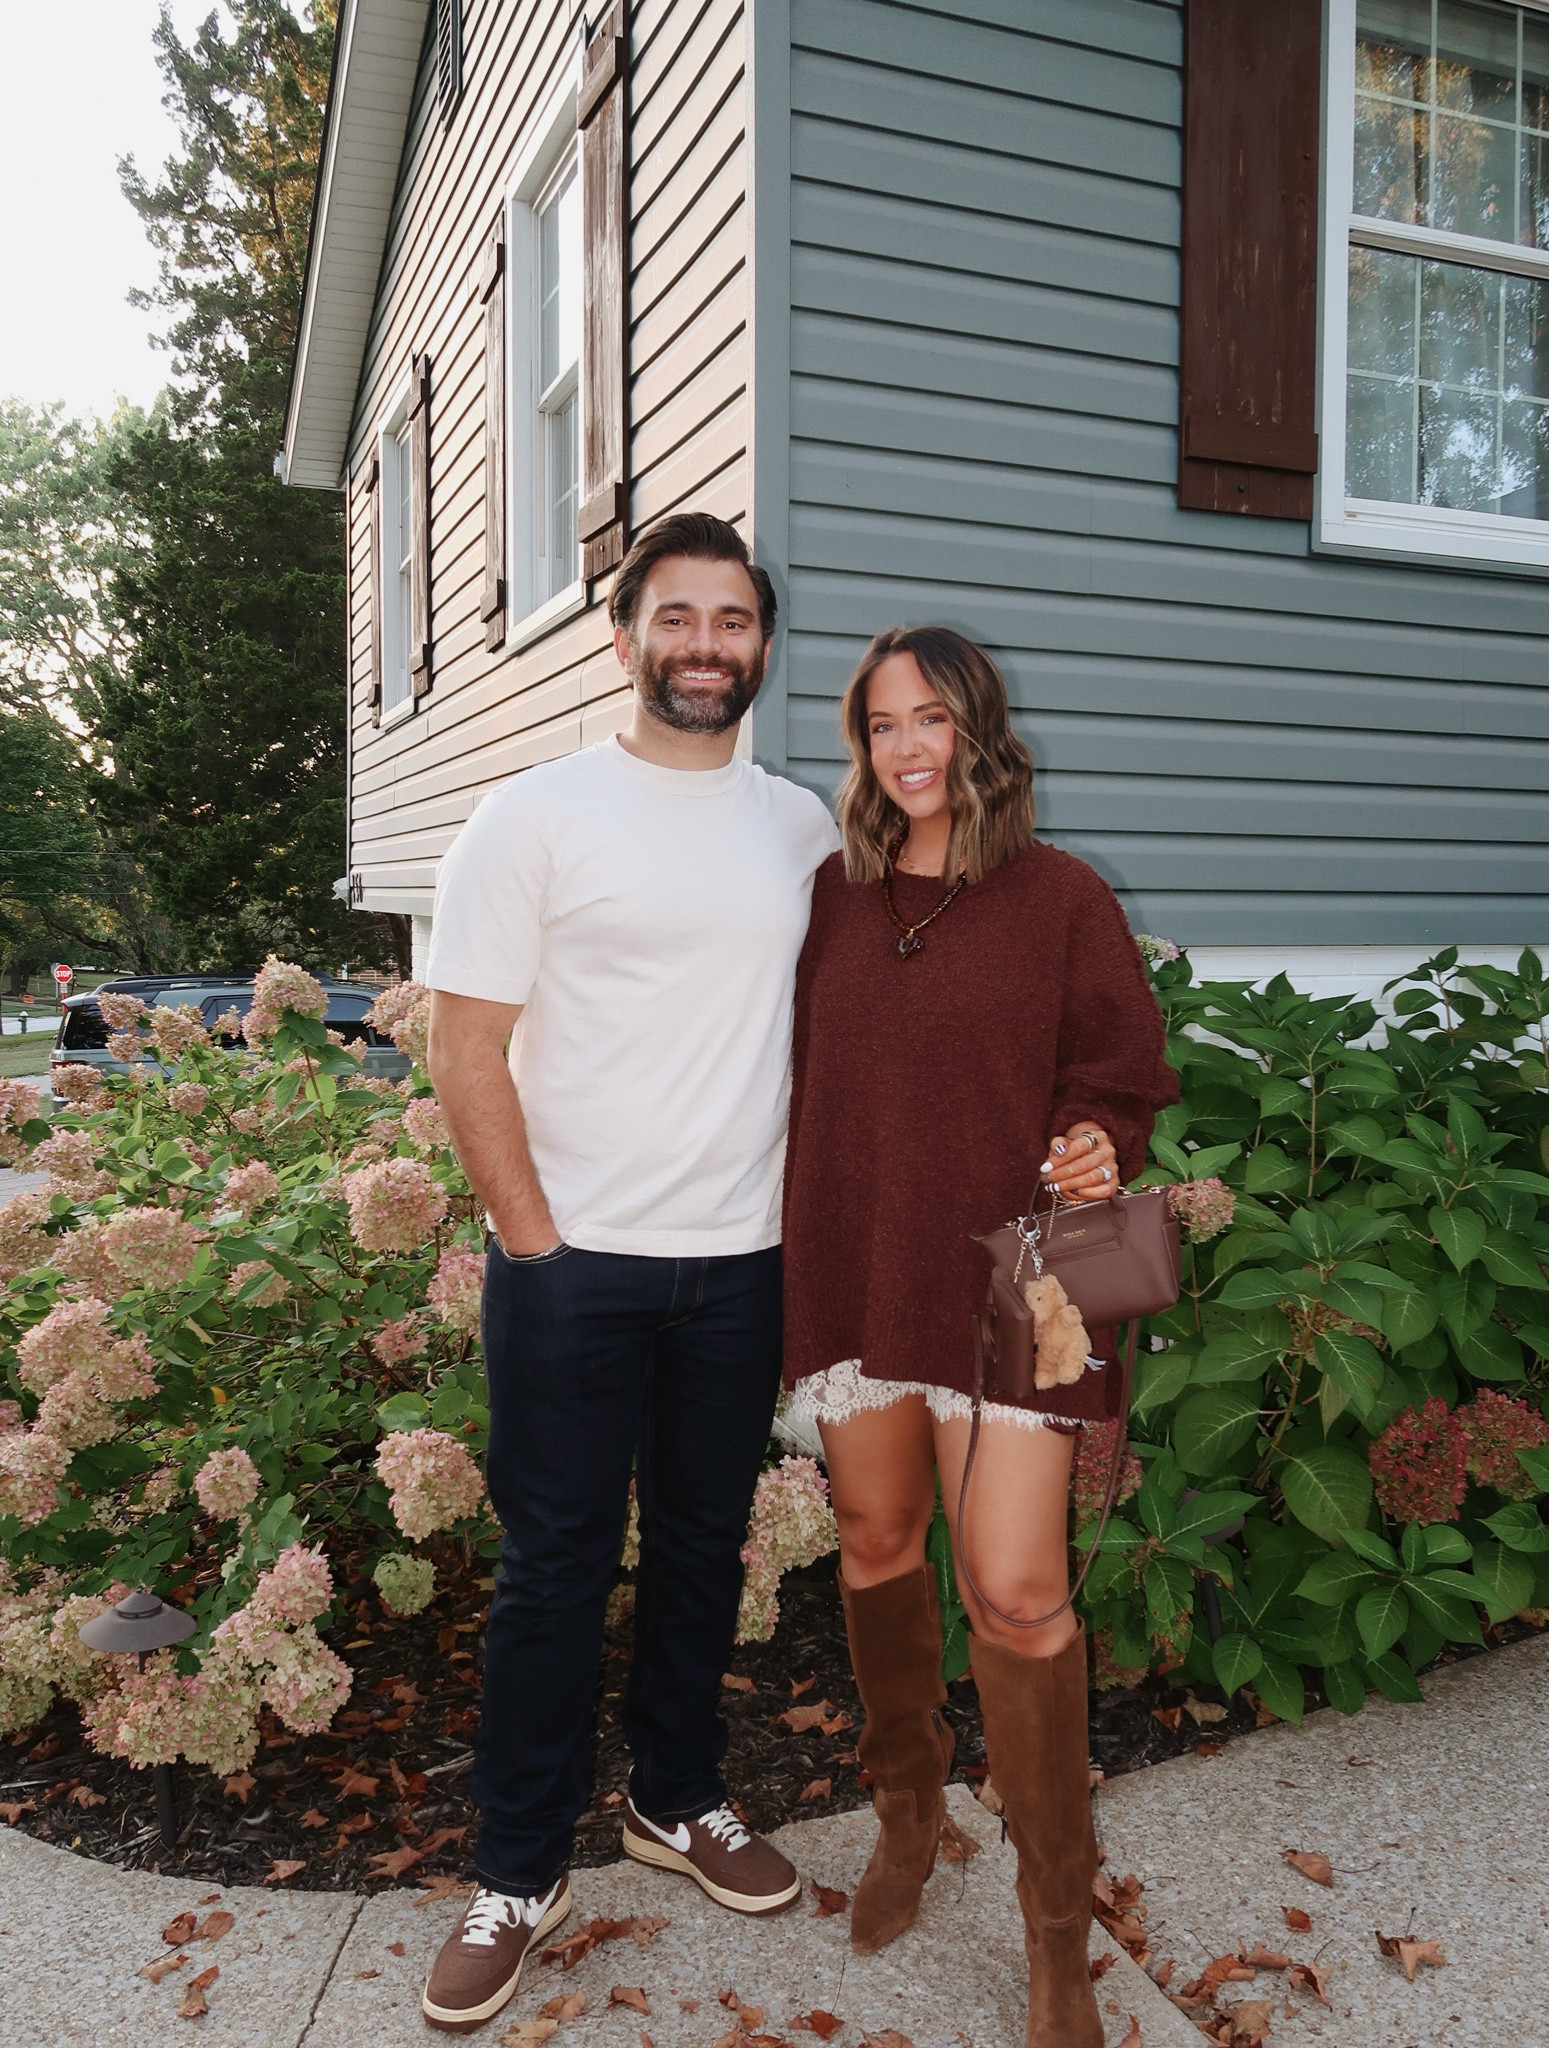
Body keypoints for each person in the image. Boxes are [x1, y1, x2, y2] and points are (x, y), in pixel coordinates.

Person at [419, 512, 838, 2033]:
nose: (704, 645)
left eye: (731, 620)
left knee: (705, 1548)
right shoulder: (533, 819)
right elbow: (464, 1049)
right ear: (625, 639)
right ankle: (518, 1869)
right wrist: (535, 1241)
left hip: (740, 1264)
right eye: (676, 617)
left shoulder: (803, 829)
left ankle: (677, 1798)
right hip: (573, 1264)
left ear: (763, 646)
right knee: (554, 1569)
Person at [781, 626, 1178, 2048]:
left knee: (1015, 1592)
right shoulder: (829, 897)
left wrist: (1097, 1139)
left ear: (979, 729)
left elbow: (1121, 1072)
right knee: (877, 1539)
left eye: (931, 718)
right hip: (862, 1259)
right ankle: (907, 1812)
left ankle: (1055, 1932)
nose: (908, 747)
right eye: (882, 723)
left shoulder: (1062, 897)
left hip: (1026, 1276)